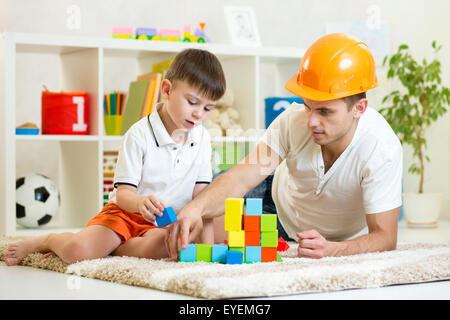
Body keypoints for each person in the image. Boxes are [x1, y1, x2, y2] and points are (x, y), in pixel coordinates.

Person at [165, 33, 403, 260]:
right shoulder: (293, 121)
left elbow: (385, 237)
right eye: (308, 106)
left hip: (290, 230)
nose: (311, 121)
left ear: (359, 108)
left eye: (325, 111)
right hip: (270, 191)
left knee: (193, 233)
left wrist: (332, 249)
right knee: (183, 216)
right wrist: (197, 207)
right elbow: (241, 179)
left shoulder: (381, 148)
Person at [4, 48, 226, 265]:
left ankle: (116, 248)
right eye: (192, 102)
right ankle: (48, 240)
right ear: (166, 90)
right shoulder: (139, 135)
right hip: (126, 213)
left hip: (165, 222)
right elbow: (123, 195)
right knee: (77, 252)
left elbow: (202, 199)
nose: (199, 114)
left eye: (208, 108)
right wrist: (140, 203)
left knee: (174, 246)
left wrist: (205, 252)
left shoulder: (202, 138)